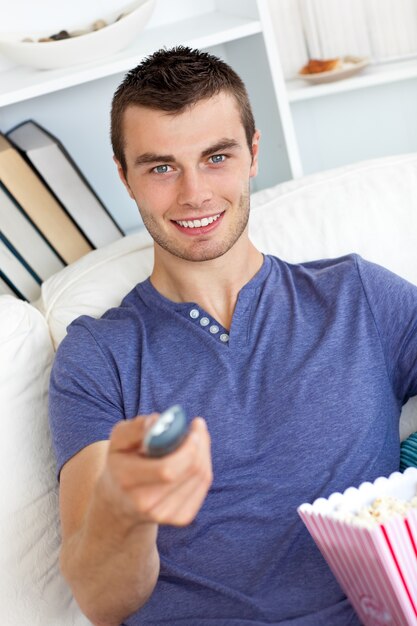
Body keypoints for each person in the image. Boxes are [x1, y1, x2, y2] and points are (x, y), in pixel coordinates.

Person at [49, 46, 417, 626]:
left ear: (252, 153)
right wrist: (128, 509)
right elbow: (101, 600)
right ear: (125, 177)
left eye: (216, 157)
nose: (194, 193)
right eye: (161, 167)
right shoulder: (98, 356)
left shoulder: (358, 295)